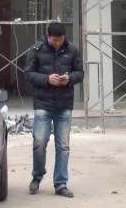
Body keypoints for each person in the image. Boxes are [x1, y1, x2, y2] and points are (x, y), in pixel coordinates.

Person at [23, 21, 83, 198]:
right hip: (43, 103)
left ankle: (61, 183)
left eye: (60, 39)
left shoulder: (72, 50)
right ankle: (37, 176)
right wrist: (47, 79)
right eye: (54, 40)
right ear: (47, 36)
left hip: (64, 105)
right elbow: (28, 73)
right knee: (39, 142)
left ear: (64, 37)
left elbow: (80, 73)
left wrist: (69, 78)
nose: (57, 43)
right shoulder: (36, 49)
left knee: (63, 146)